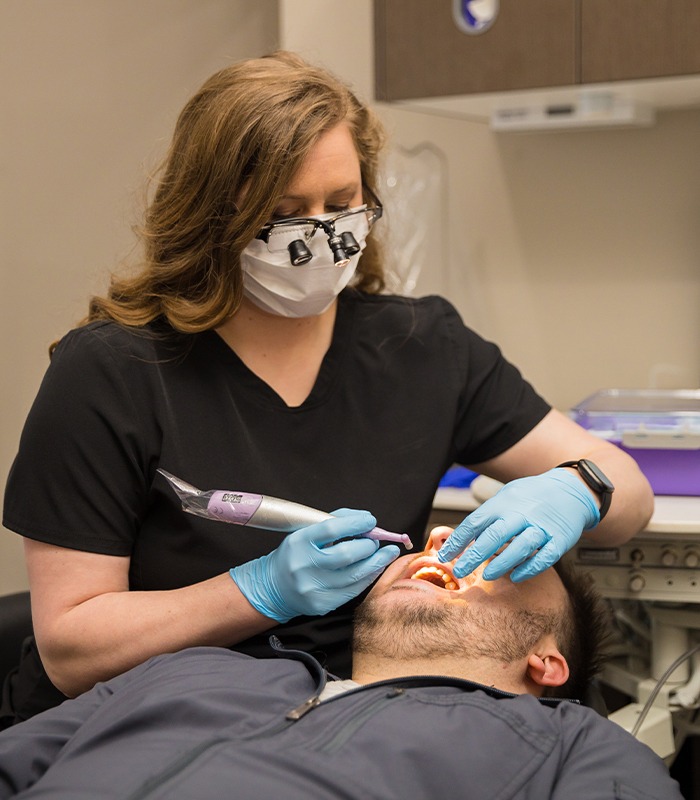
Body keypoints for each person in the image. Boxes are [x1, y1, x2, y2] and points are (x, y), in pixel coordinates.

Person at [2, 50, 653, 724]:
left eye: (341, 204)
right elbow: (71, 651)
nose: (321, 234)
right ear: (210, 215)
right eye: (284, 212)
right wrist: (258, 592)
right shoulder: (113, 371)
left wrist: (576, 489)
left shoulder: (422, 347)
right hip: (141, 721)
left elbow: (628, 495)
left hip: (336, 718)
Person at [0, 527, 681, 799]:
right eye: (448, 539)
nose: (445, 542)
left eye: (500, 558)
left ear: (547, 663)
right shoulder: (188, 669)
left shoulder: (568, 744)